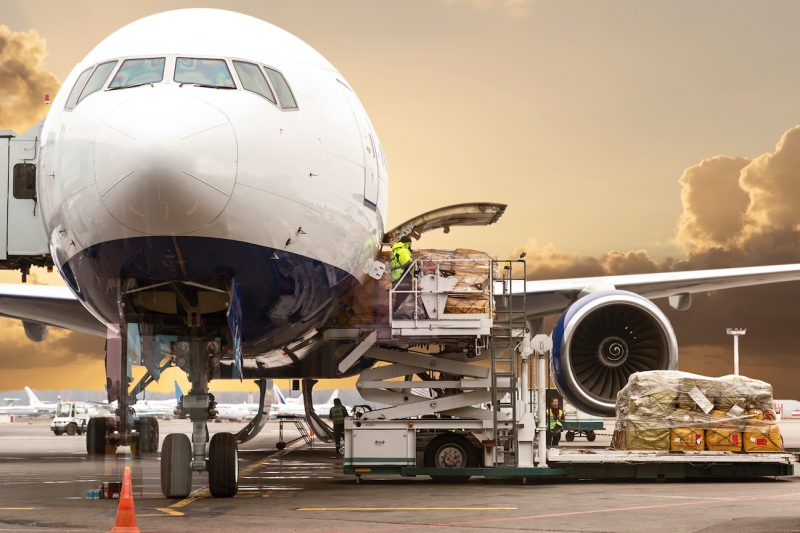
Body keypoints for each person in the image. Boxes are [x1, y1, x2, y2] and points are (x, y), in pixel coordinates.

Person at [390, 236, 414, 315]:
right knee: (404, 296)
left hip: (397, 277)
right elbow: (407, 264)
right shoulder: (403, 250)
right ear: (408, 243)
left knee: (400, 296)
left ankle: (395, 312)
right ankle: (397, 313)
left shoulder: (396, 250)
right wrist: (416, 268)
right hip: (402, 277)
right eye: (410, 243)